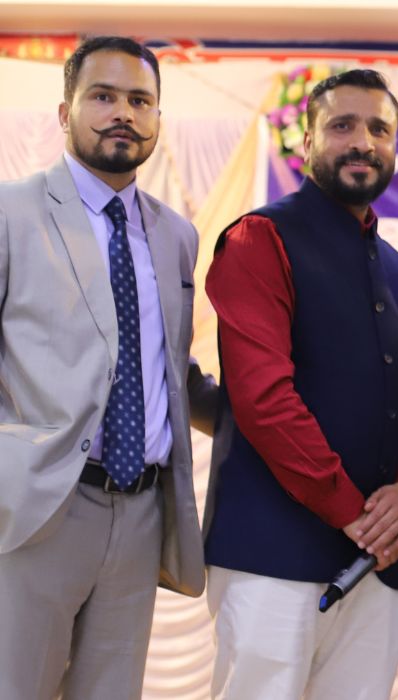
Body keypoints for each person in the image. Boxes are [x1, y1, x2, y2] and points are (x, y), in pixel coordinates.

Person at [203, 68, 398, 699]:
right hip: (271, 555)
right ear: (307, 140)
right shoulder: (260, 238)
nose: (363, 141)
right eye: (343, 126)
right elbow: (263, 400)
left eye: (379, 129)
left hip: (376, 564)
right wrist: (353, 513)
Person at [0, 35, 207, 700]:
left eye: (140, 100)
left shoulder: (176, 234)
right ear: (66, 113)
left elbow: (167, 366)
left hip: (142, 510)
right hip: (37, 507)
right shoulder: (11, 212)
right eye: (103, 96)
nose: (123, 112)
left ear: (157, 118)